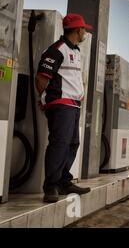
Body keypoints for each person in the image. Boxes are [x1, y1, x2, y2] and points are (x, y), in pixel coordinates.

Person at [35, 13, 92, 203]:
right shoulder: (56, 50)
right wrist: (45, 100)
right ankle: (50, 186)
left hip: (74, 105)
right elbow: (42, 78)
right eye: (84, 29)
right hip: (61, 105)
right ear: (78, 30)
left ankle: (63, 181)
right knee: (59, 144)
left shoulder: (75, 51)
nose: (85, 32)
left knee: (72, 144)